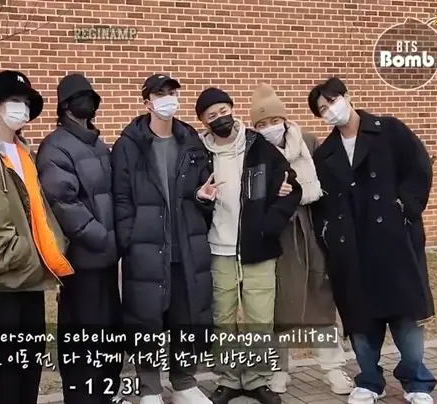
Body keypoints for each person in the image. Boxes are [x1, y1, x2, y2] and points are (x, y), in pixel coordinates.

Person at [307, 76, 436, 404]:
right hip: (351, 246)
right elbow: (321, 203)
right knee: (360, 317)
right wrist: (329, 234)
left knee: (405, 315)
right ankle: (368, 380)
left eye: (332, 102)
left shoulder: (389, 130)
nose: (330, 111)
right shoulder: (326, 153)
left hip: (393, 240)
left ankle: (417, 382)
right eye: (322, 110)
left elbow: (419, 168)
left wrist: (404, 207)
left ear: (347, 96)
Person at [0, 70, 73, 404]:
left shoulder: (23, 152)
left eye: (25, 102)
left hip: (31, 274)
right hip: (5, 276)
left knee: (30, 361)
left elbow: (38, 209)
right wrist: (18, 253)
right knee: (7, 367)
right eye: (13, 100)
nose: (21, 108)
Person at [112, 74, 215, 404]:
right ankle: (150, 388)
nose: (169, 99)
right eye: (161, 94)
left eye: (172, 92)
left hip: (186, 247)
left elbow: (204, 189)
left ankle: (184, 384)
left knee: (186, 318)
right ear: (148, 102)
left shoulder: (191, 141)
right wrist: (129, 239)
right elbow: (121, 198)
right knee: (146, 320)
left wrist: (202, 199)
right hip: (146, 248)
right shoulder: (129, 144)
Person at [195, 87, 302, 404]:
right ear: (203, 122)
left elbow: (292, 187)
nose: (220, 118)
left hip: (258, 249)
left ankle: (258, 380)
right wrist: (201, 199)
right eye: (211, 116)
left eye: (223, 111)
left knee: (259, 318)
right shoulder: (199, 154)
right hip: (218, 249)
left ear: (232, 109)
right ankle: (228, 380)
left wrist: (270, 225)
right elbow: (190, 195)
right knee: (223, 319)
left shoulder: (259, 147)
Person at [249, 83, 353, 396]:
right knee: (278, 306)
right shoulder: (252, 151)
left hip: (310, 231)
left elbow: (330, 186)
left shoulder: (308, 142)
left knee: (320, 300)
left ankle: (333, 367)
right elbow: (247, 194)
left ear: (284, 118)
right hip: (276, 237)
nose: (270, 128)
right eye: (261, 124)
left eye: (274, 120)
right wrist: (270, 193)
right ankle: (279, 369)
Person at [36, 73, 129, 404]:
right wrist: (102, 237)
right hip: (81, 259)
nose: (87, 102)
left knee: (109, 330)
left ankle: (108, 392)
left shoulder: (98, 144)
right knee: (83, 335)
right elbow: (64, 203)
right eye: (79, 98)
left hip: (107, 258)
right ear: (65, 106)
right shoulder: (55, 147)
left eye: (90, 97)